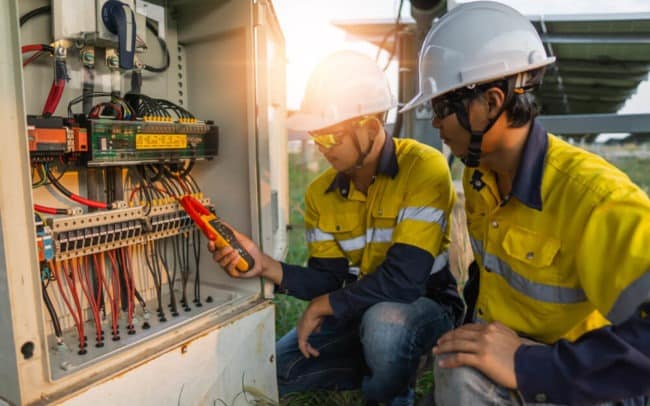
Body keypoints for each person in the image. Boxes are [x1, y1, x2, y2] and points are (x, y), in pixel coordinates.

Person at [400, 2, 650, 405]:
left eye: (441, 106)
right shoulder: (479, 175)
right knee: (456, 364)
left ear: (491, 102)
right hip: (521, 352)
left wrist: (527, 365)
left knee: (462, 377)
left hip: (586, 380)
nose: (435, 123)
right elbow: (488, 276)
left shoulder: (595, 200)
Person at [208, 50, 463, 405]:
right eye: (317, 136)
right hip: (358, 308)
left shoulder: (424, 168)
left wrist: (323, 306)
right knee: (277, 371)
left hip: (424, 306)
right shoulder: (320, 193)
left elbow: (405, 281)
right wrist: (266, 265)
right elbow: (329, 278)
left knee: (385, 325)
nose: (321, 147)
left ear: (371, 127)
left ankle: (393, 386)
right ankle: (382, 363)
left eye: (332, 137)